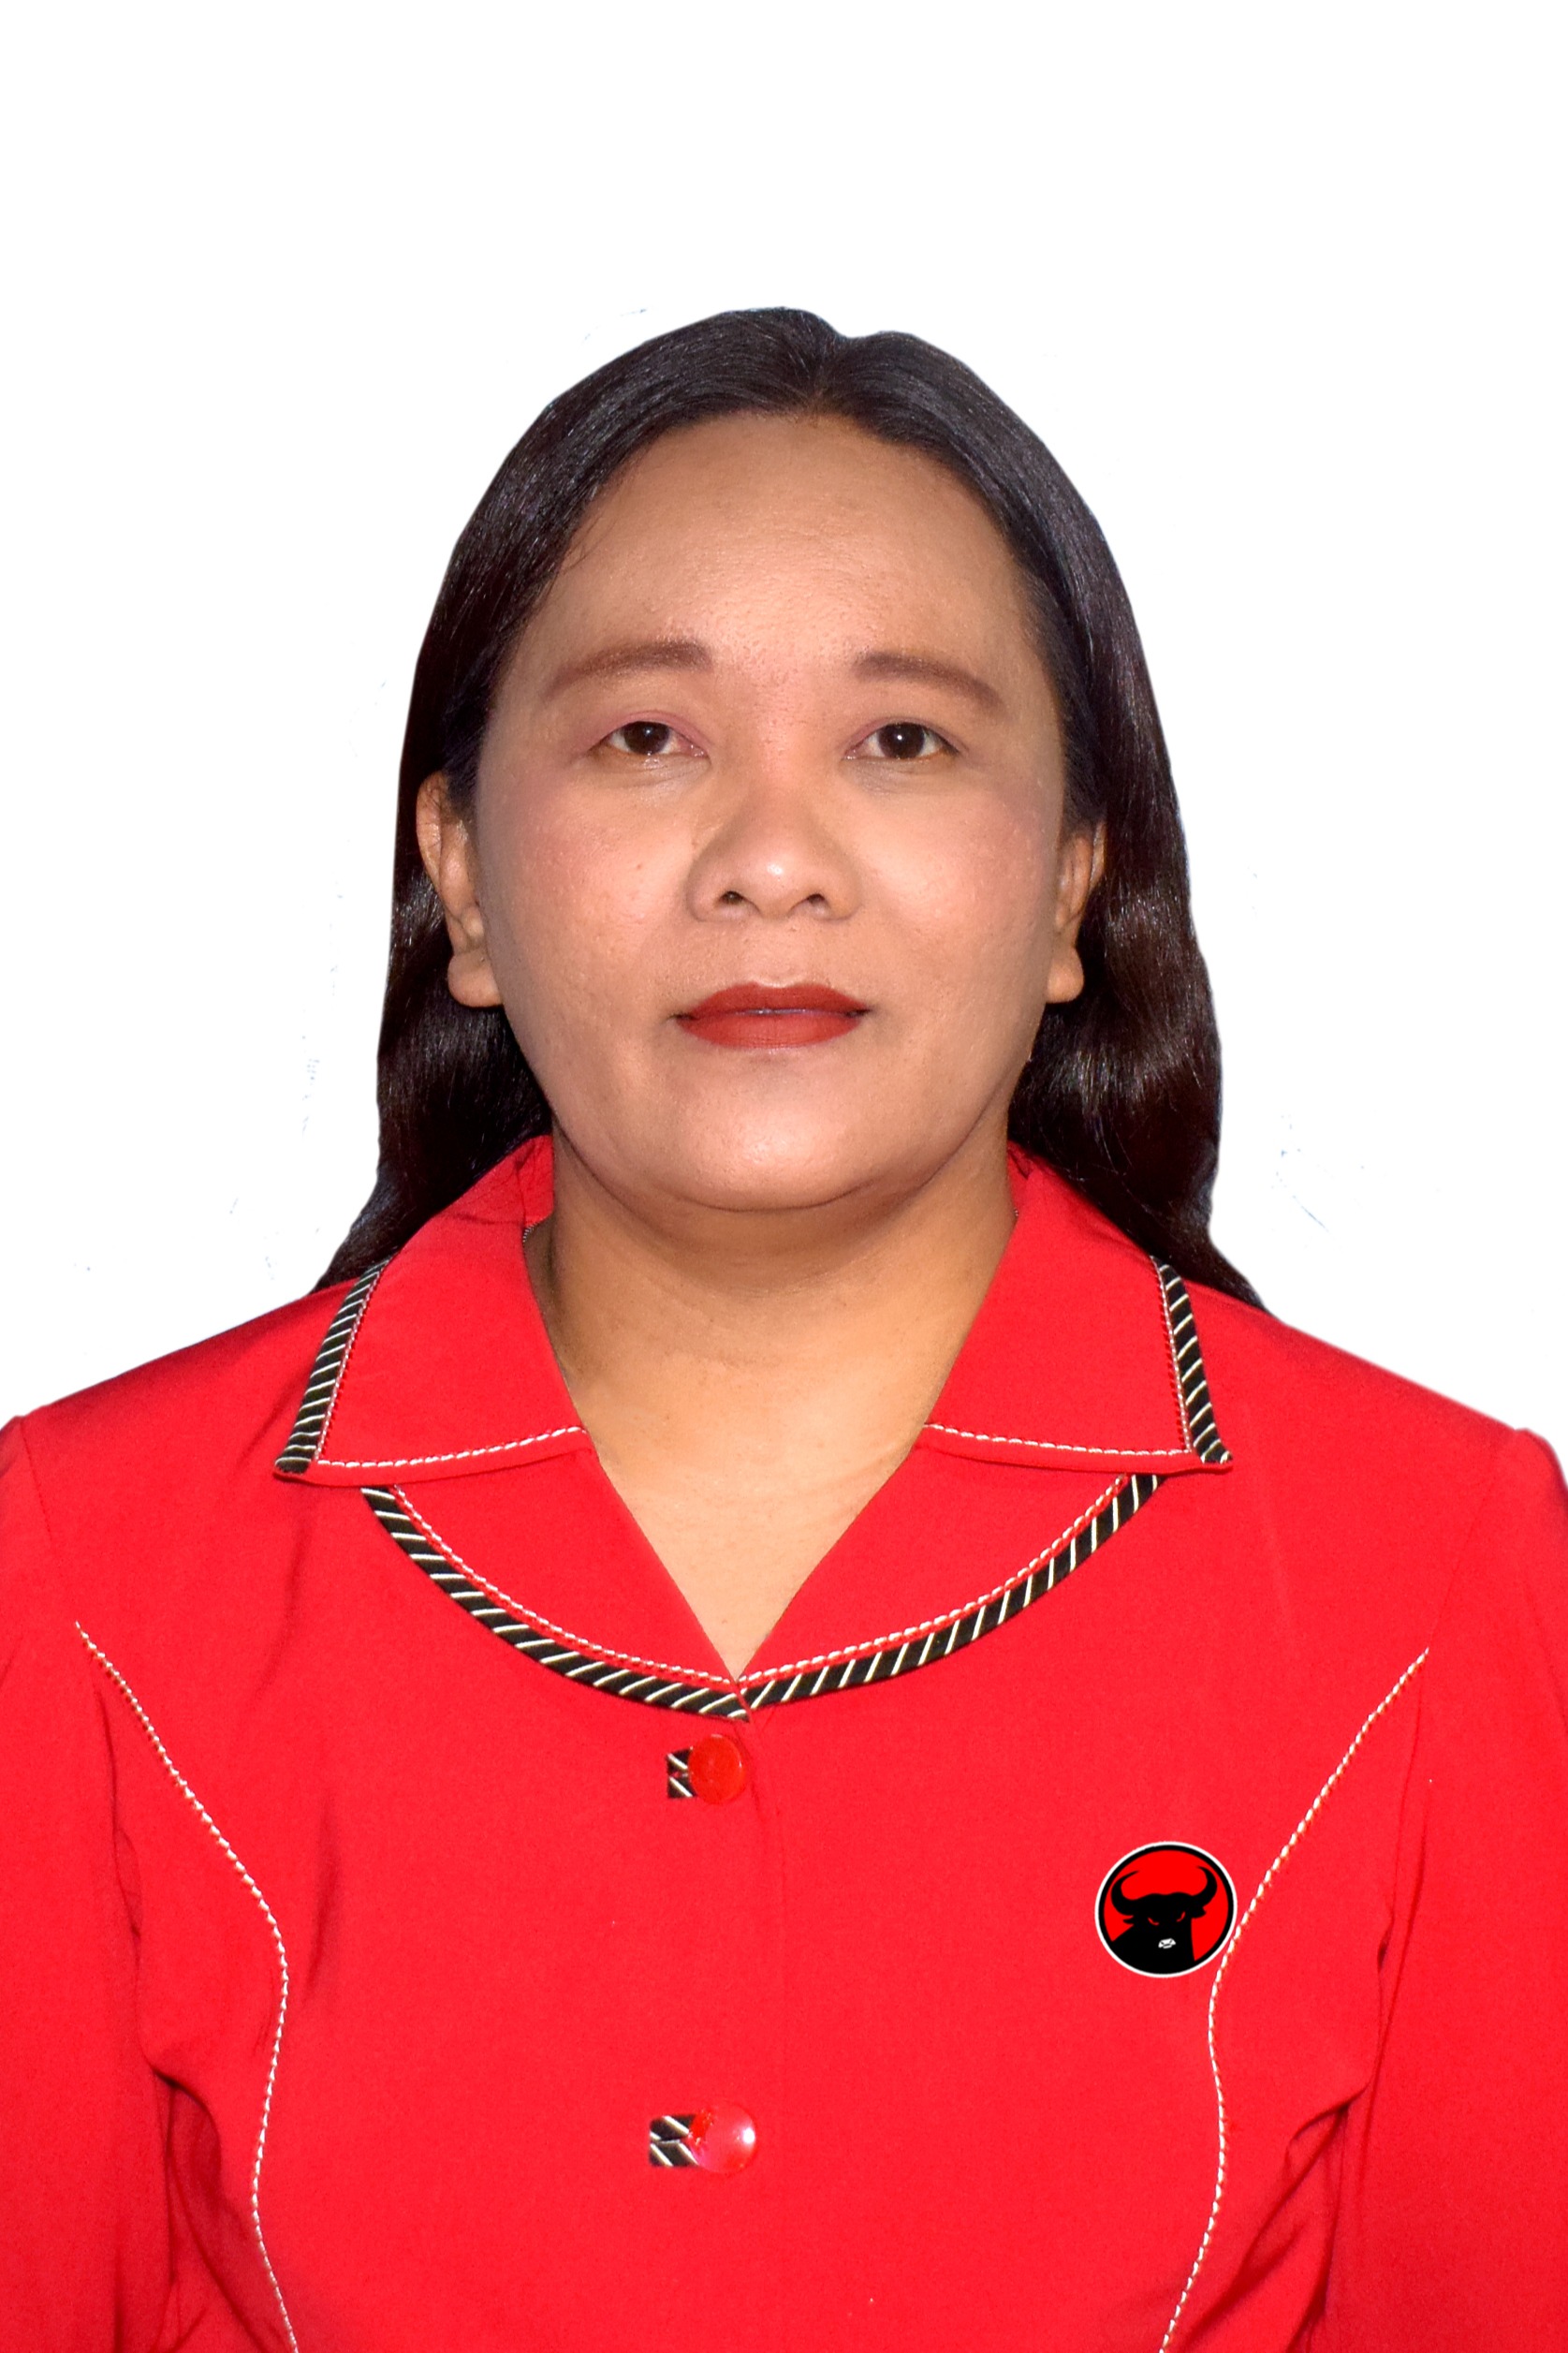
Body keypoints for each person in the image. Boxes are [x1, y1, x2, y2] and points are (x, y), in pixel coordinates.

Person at [2, 308, 1563, 2353]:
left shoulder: (1431, 1567)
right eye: (647, 738)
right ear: (460, 877)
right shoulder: (82, 1570)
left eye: (902, 740)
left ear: (1074, 880)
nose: (767, 863)